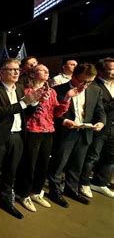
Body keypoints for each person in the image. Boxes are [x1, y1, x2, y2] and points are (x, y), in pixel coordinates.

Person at [0, 59, 42, 220]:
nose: (16, 72)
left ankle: (6, 200)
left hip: (17, 136)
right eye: (11, 69)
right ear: (1, 72)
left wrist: (34, 102)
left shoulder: (21, 88)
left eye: (17, 69)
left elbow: (25, 113)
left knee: (11, 171)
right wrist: (24, 103)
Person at [15, 64, 73, 211]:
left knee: (43, 164)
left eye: (48, 70)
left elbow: (57, 113)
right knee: (29, 164)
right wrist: (38, 100)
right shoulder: (26, 90)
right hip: (32, 130)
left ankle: (36, 192)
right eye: (42, 70)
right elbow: (24, 112)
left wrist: (67, 98)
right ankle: (23, 193)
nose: (47, 72)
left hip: (48, 130)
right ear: (32, 74)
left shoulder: (51, 91)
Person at [48, 63, 106, 207]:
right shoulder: (58, 90)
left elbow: (100, 110)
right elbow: (51, 114)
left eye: (90, 81)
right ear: (74, 76)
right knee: (59, 163)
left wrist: (101, 122)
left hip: (85, 131)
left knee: (77, 164)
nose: (86, 85)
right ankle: (54, 191)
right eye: (83, 81)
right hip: (66, 131)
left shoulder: (95, 89)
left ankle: (71, 189)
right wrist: (64, 121)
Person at [79, 58, 114, 198]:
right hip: (99, 127)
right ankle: (84, 182)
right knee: (92, 156)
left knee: (110, 157)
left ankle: (100, 183)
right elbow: (96, 109)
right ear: (101, 71)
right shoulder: (93, 85)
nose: (113, 72)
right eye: (111, 69)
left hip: (113, 127)